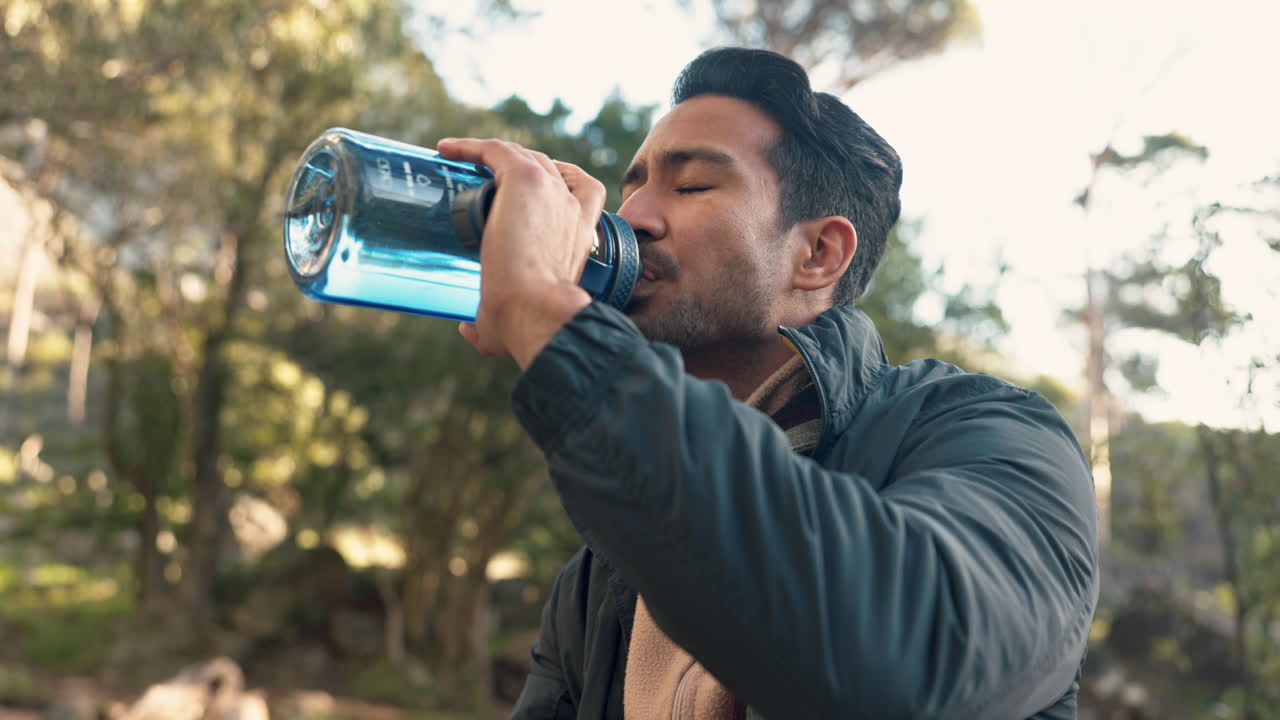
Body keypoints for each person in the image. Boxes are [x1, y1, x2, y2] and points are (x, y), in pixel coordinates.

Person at [436, 47, 1099, 720]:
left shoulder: (995, 437)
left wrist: (550, 317)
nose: (632, 217)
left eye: (690, 185)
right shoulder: (602, 578)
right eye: (632, 188)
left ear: (817, 255)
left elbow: (907, 661)